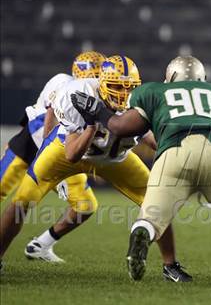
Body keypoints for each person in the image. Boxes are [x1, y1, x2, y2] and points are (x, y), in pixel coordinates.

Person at [70, 55, 211, 287]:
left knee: (152, 217)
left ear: (171, 76)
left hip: (174, 153)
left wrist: (98, 111)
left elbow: (120, 127)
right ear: (201, 77)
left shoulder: (154, 92)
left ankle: (142, 234)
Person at [0, 55, 191, 282]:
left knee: (157, 201)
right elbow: (71, 155)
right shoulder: (77, 94)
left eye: (128, 87)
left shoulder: (143, 102)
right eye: (116, 86)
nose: (122, 93)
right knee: (22, 201)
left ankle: (170, 266)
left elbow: (153, 139)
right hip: (65, 150)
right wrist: (91, 124)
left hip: (115, 159)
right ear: (101, 84)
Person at [0, 51, 105, 264]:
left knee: (85, 206)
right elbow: (46, 121)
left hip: (60, 152)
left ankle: (41, 245)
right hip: (31, 143)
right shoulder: (64, 83)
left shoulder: (99, 99)